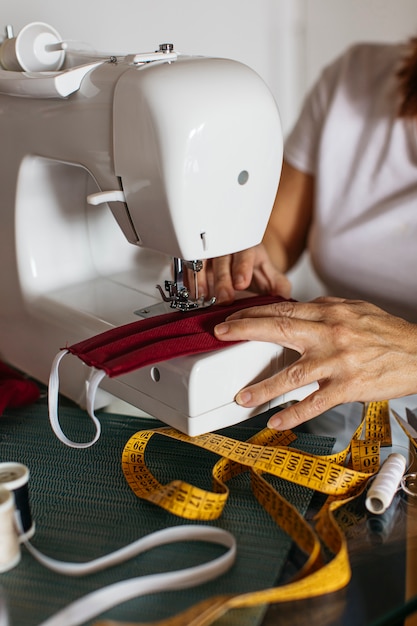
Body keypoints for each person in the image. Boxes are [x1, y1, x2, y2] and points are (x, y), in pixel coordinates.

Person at [190, 37, 417, 432]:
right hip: (334, 420)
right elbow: (277, 232)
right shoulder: (356, 77)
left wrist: (408, 351)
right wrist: (248, 256)